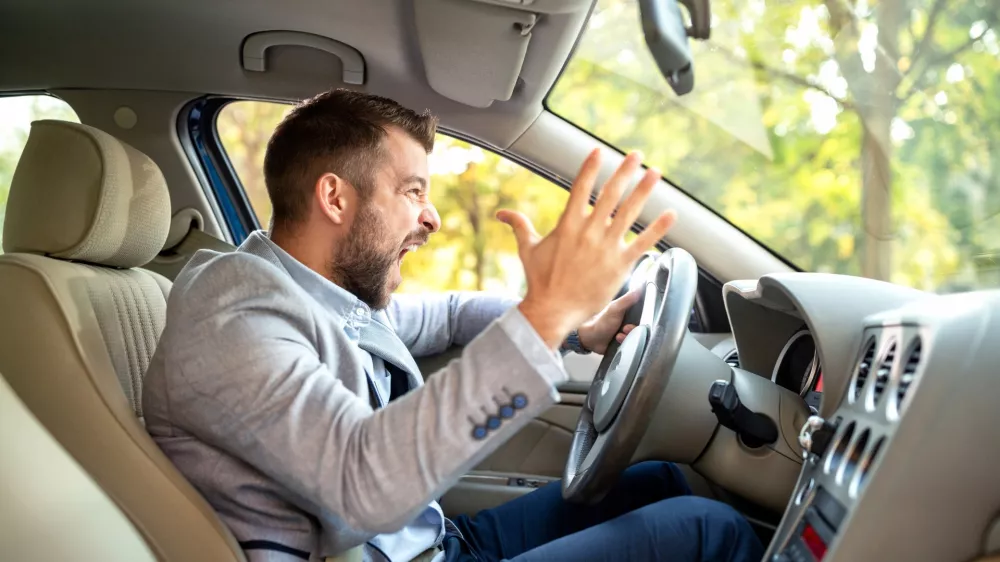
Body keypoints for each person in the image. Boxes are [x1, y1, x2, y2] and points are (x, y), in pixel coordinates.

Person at [142, 89, 764, 562]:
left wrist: (579, 328)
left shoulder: (317, 294)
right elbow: (360, 485)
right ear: (336, 199)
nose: (432, 217)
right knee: (713, 532)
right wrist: (543, 315)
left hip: (435, 540)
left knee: (663, 481)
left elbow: (448, 316)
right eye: (413, 191)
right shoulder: (234, 321)